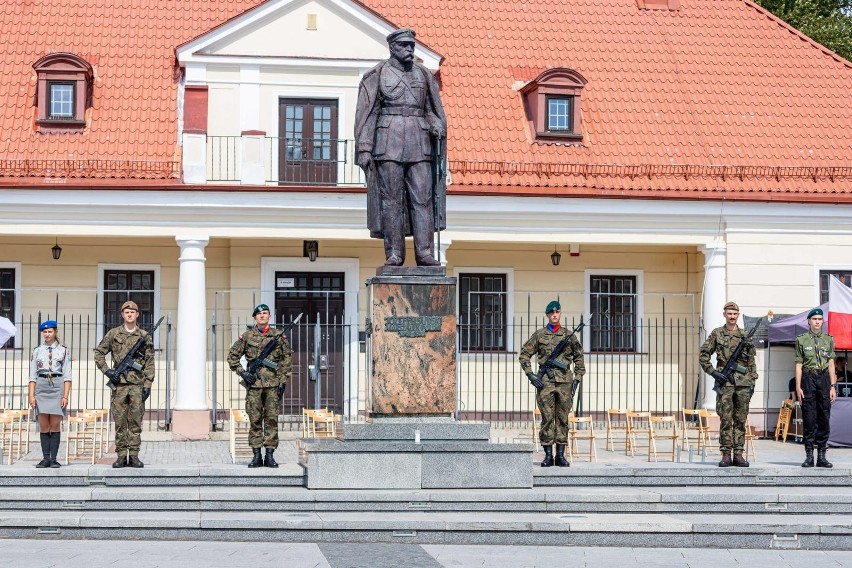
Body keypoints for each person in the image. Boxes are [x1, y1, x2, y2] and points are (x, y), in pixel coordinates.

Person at [354, 27, 447, 267]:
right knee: (391, 200)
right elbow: (367, 114)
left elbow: (433, 111)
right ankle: (394, 253)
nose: (409, 49)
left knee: (423, 199)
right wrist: (364, 147)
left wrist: (436, 125)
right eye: (404, 45)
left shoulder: (424, 75)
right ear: (392, 48)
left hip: (419, 142)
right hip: (388, 143)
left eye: (412, 46)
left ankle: (424, 253)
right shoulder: (378, 74)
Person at [519, 301, 585, 468]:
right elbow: (524, 355)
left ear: (560, 314)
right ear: (547, 315)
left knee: (562, 419)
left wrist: (577, 377)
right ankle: (548, 455)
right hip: (545, 383)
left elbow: (579, 358)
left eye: (557, 312)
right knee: (548, 418)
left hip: (565, 383)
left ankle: (560, 456)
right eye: (551, 313)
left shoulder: (569, 335)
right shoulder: (539, 335)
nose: (554, 315)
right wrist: (531, 375)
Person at [228, 304, 292, 468]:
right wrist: (243, 373)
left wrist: (283, 381)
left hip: (272, 385)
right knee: (255, 420)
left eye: (265, 313)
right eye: (259, 314)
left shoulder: (278, 336)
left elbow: (286, 360)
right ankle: (256, 456)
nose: (262, 316)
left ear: (269, 316)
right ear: (255, 318)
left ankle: (269, 456)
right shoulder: (247, 336)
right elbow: (232, 357)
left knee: (271, 419)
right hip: (254, 385)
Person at [94, 301, 154, 469]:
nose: (129, 314)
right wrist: (107, 371)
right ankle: (121, 455)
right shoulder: (113, 334)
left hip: (137, 385)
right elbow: (99, 353)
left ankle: (134, 455)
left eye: (132, 312)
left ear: (137, 314)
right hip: (119, 385)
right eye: (126, 312)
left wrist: (148, 383)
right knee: (120, 421)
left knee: (135, 420)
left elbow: (149, 361)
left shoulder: (143, 336)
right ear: (122, 314)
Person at [699, 301, 757, 468]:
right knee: (725, 419)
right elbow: (703, 355)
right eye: (729, 313)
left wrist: (752, 381)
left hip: (743, 384)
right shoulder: (717, 334)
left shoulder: (745, 335)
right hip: (725, 383)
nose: (732, 317)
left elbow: (751, 361)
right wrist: (713, 372)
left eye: (735, 314)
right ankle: (726, 454)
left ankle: (738, 454)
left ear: (738, 315)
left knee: (740, 420)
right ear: (724, 314)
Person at [795, 307, 837, 468]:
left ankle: (821, 456)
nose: (817, 322)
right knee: (809, 418)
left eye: (820, 319)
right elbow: (798, 364)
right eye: (814, 319)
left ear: (822, 321)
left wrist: (833, 386)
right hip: (808, 378)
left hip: (824, 378)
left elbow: (832, 363)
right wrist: (798, 387)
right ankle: (808, 456)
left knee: (824, 417)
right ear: (809, 321)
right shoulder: (801, 339)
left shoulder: (828, 339)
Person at [28, 320, 72, 468]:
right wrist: (31, 395)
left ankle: (54, 459)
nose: (47, 334)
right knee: (44, 425)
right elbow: (32, 375)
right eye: (45, 332)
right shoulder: (37, 350)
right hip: (41, 386)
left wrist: (65, 396)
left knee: (54, 425)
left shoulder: (63, 351)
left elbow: (67, 376)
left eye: (50, 331)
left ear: (55, 332)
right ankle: (45, 458)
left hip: (56, 386)